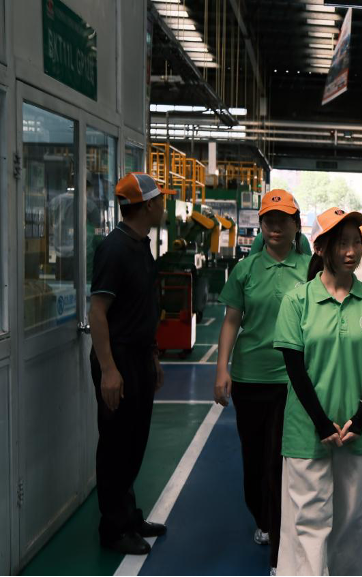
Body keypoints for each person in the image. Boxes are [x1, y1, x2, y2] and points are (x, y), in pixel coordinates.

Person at [273, 207, 362, 576]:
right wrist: (321, 423)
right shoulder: (297, 301)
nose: (352, 251)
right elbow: (295, 369)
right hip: (307, 431)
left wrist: (360, 417)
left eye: (356, 243)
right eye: (342, 243)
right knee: (308, 523)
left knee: (350, 523)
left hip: (357, 433)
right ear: (321, 248)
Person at [214, 190, 311, 571]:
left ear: (295, 225)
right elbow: (231, 321)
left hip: (293, 381)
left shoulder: (311, 269)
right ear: (261, 225)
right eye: (269, 219)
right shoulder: (246, 270)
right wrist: (222, 369)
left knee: (278, 461)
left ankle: (279, 543)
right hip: (250, 377)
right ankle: (262, 517)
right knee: (254, 459)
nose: (275, 226)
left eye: (283, 219)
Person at [88, 173, 174, 554]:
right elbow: (97, 311)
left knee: (134, 441)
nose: (164, 205)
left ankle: (129, 516)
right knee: (115, 446)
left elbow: (142, 309)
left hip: (139, 356)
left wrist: (153, 356)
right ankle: (113, 529)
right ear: (149, 205)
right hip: (118, 358)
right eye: (161, 199)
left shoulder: (140, 245)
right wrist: (109, 369)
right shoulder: (114, 249)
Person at [249, 191, 312, 257]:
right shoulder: (260, 239)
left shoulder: (301, 240)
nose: (276, 228)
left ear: (297, 225)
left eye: (283, 221)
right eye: (270, 222)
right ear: (261, 224)